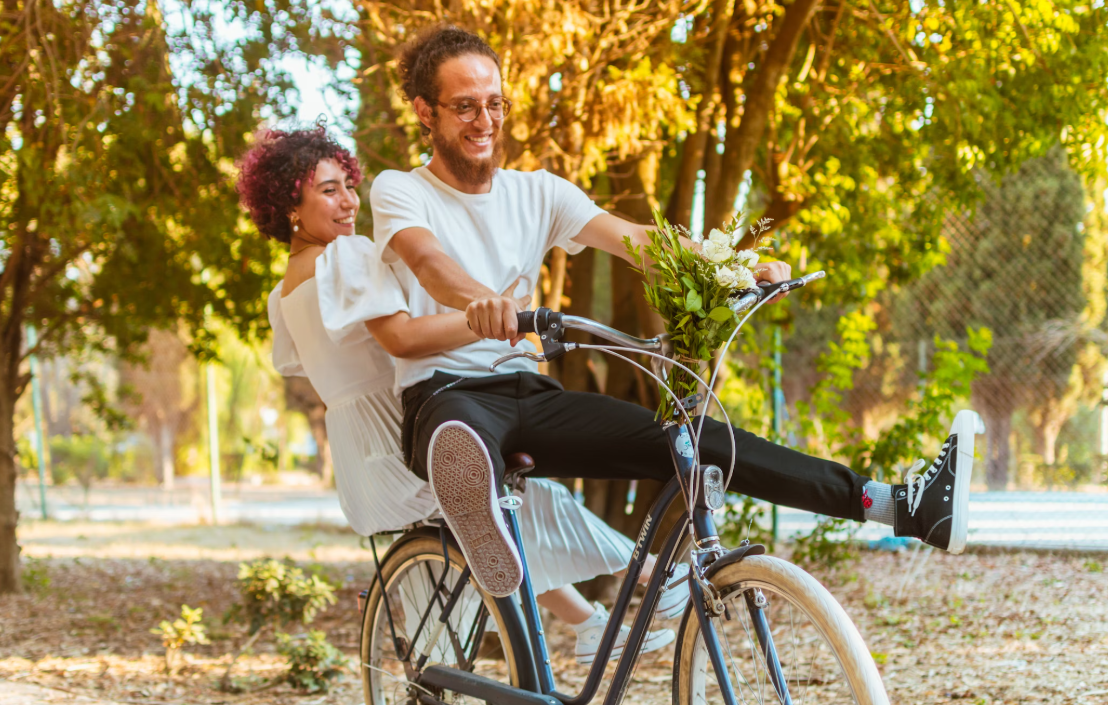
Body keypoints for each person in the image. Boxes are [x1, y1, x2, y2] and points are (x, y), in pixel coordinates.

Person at [360, 25, 982, 598]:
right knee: (462, 430)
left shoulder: (539, 192)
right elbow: (431, 265)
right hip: (445, 394)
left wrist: (733, 266)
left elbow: (641, 241)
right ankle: (474, 494)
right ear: (425, 112)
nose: (484, 119)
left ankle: (897, 505)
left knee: (694, 442)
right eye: (465, 106)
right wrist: (482, 304)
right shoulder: (400, 189)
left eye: (495, 103)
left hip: (528, 390)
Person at [236, 124, 686, 665]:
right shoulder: (348, 257)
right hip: (402, 439)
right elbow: (401, 338)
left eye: (349, 186)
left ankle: (585, 624)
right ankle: (642, 583)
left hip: (361, 460)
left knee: (495, 517)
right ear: (290, 206)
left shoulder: (282, 292)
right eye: (329, 190)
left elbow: (322, 366)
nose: (350, 201)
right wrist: (498, 320)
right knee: (525, 498)